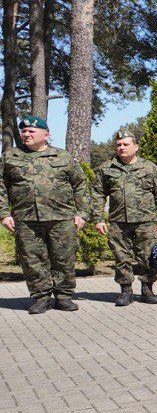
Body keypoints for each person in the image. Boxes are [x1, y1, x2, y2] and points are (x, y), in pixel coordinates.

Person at [0, 114, 89, 314]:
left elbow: (80, 185)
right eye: (24, 131)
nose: (26, 134)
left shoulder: (62, 156)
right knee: (32, 260)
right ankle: (41, 298)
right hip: (26, 218)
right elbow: (1, 186)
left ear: (46, 134)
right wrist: (4, 214)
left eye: (31, 131)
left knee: (64, 258)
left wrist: (82, 213)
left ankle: (64, 296)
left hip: (61, 218)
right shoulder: (10, 157)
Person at [93, 132, 157, 306]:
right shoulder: (107, 168)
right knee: (121, 258)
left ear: (135, 147)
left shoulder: (149, 167)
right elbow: (98, 194)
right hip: (118, 221)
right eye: (119, 144)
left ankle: (147, 290)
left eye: (126, 144)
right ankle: (126, 291)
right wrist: (99, 219)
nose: (121, 147)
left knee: (147, 257)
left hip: (146, 221)